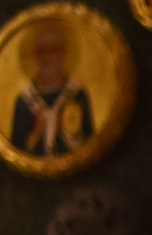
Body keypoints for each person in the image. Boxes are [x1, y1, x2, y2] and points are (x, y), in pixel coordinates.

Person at [10, 22, 94, 159]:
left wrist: (68, 133)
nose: (48, 57)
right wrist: (35, 133)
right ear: (35, 56)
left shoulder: (77, 94)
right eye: (42, 51)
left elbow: (91, 145)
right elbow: (15, 151)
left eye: (54, 50)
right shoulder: (25, 101)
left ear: (63, 54)